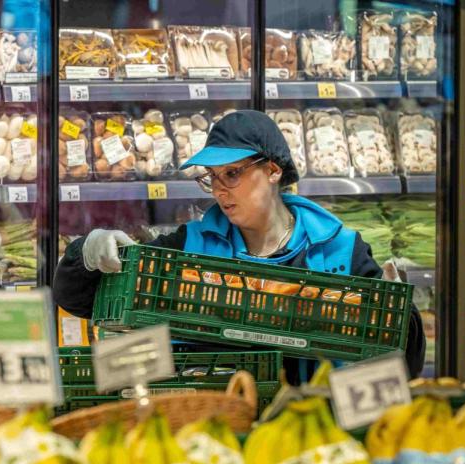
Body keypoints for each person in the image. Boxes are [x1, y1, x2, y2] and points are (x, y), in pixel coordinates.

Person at [53, 110, 425, 382]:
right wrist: (86, 255)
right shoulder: (191, 246)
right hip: (215, 424)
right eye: (211, 179)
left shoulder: (341, 250)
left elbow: (400, 364)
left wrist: (399, 318)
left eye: (232, 174)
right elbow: (79, 301)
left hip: (318, 425)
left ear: (274, 171)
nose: (219, 191)